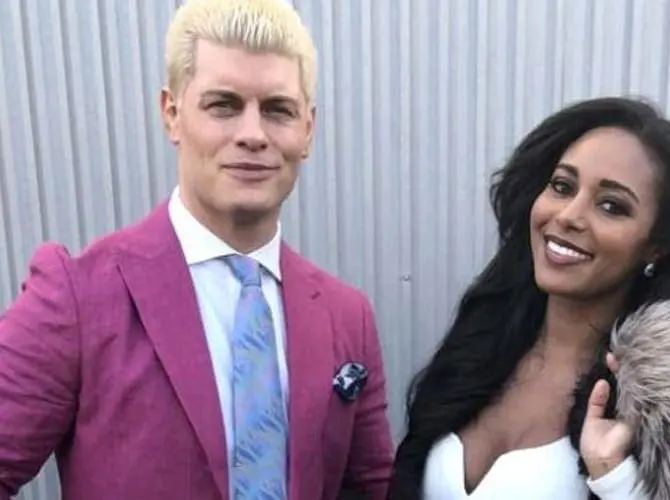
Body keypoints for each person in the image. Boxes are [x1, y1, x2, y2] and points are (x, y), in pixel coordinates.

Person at [0, 1, 394, 499]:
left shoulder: (347, 316)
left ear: (308, 130)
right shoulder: (78, 297)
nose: (252, 135)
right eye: (223, 105)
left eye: (278, 110)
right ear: (172, 114)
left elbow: (372, 489)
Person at [387, 96, 670, 499]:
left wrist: (617, 481)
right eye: (562, 186)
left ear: (657, 246)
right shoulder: (484, 343)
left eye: (611, 206)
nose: (568, 215)